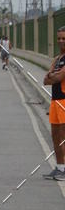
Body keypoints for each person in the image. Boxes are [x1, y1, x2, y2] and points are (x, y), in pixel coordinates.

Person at [42, 25, 65, 181]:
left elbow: (57, 78)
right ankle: (60, 168)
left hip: (64, 100)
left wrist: (52, 75)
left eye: (64, 38)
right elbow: (45, 80)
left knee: (62, 136)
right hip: (54, 101)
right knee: (55, 136)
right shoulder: (57, 59)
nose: (61, 41)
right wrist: (52, 75)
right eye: (59, 38)